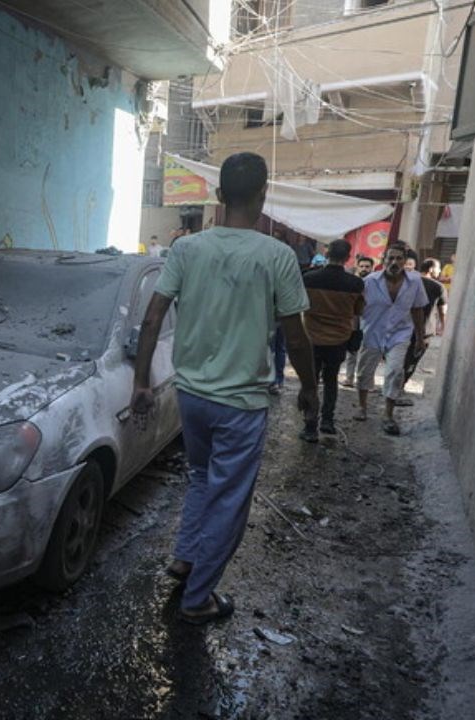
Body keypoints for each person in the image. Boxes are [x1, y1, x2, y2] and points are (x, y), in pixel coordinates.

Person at [130, 152, 318, 624]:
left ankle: (185, 558)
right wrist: (310, 390)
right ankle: (198, 598)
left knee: (200, 478)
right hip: (240, 404)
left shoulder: (187, 249)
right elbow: (296, 336)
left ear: (217, 197)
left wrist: (141, 382)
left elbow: (153, 315)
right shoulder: (276, 256)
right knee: (229, 500)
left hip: (190, 396)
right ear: (263, 194)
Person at [354, 243, 428, 435]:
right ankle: (362, 407)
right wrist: (353, 329)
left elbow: (418, 309)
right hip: (372, 331)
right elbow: (357, 306)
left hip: (400, 333)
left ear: (405, 261)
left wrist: (420, 337)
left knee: (395, 372)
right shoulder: (369, 281)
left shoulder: (415, 282)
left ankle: (388, 414)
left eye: (399, 259)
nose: (394, 262)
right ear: (383, 260)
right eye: (390, 258)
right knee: (364, 371)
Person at [300, 239, 364, 439]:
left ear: (327, 255)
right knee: (331, 380)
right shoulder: (355, 284)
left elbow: (299, 304)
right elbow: (359, 311)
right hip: (339, 339)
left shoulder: (308, 278)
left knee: (310, 382)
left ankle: (310, 426)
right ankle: (328, 420)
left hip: (311, 337)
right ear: (347, 258)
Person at [340, 254, 376, 388]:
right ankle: (349, 378)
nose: (364, 269)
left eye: (367, 266)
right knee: (352, 350)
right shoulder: (352, 283)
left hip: (371, 321)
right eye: (362, 266)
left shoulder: (376, 283)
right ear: (357, 267)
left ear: (372, 268)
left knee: (369, 352)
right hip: (354, 321)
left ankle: (367, 381)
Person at [419, 259, 448, 335]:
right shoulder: (438, 287)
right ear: (431, 269)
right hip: (425, 330)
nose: (440, 271)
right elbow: (443, 312)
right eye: (438, 268)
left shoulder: (407, 282)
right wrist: (443, 327)